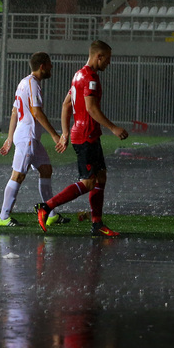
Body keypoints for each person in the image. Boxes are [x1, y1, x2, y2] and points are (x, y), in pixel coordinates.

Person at [36, 41, 128, 237]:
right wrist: (113, 128)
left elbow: (66, 105)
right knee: (87, 183)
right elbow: (91, 108)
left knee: (100, 177)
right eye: (108, 59)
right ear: (99, 57)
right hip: (86, 136)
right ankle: (46, 207)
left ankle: (97, 224)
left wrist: (65, 132)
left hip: (86, 135)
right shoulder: (90, 77)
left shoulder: (78, 75)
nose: (109, 64)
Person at [0, 52, 62, 227]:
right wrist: (55, 135)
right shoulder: (33, 84)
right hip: (27, 137)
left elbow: (14, 112)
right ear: (42, 66)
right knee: (17, 175)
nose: (51, 67)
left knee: (46, 170)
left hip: (29, 137)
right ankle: (3, 217)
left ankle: (51, 213)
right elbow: (36, 112)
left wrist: (10, 138)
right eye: (49, 64)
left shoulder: (23, 82)